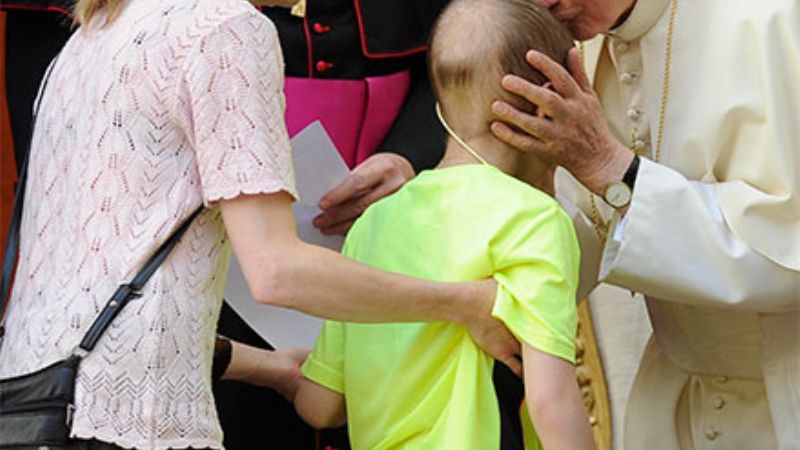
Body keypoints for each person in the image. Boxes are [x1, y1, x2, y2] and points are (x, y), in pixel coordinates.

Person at [0, 1, 520, 449]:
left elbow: (106, 307)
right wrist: (468, 303)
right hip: (145, 427)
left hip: (38, 410)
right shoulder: (226, 30)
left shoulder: (95, 32)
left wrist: (270, 368)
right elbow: (277, 271)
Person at [489, 0, 800, 449]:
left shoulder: (769, 18)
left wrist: (616, 170)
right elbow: (585, 229)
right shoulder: (587, 46)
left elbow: (787, 250)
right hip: (675, 404)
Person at [291, 1, 597, 449]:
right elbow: (552, 404)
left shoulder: (373, 222)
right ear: (548, 102)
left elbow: (319, 405)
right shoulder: (533, 221)